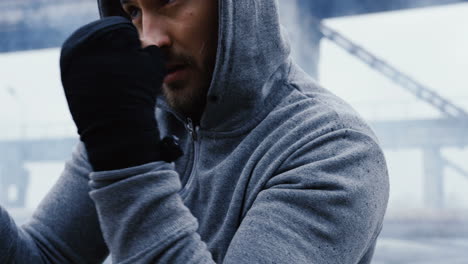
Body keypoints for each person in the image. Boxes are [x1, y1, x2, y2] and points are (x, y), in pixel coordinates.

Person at [0, 0, 389, 263]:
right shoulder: (142, 119)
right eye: (133, 10)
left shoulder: (334, 150)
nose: (149, 38)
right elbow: (47, 256)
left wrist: (128, 161)